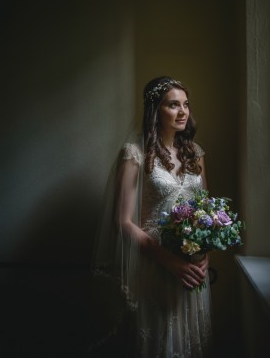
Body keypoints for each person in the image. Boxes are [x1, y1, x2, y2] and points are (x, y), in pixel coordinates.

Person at [91, 76, 212, 357]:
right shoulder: (134, 153)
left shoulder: (195, 152)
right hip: (155, 264)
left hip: (192, 267)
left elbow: (207, 210)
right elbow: (122, 222)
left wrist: (206, 252)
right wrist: (169, 261)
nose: (183, 111)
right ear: (155, 110)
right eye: (173, 105)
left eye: (186, 104)